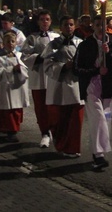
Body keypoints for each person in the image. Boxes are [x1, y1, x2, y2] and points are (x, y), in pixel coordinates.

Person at [74, 15, 112, 171]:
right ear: (93, 27)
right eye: (97, 25)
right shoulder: (86, 44)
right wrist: (95, 70)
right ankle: (99, 155)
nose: (100, 28)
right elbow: (77, 68)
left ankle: (98, 153)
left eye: (103, 25)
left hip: (107, 87)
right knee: (98, 118)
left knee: (105, 121)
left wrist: (108, 54)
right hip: (91, 87)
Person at [43, 15, 83, 157]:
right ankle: (62, 146)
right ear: (60, 27)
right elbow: (46, 65)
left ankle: (73, 148)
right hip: (59, 85)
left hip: (77, 85)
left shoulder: (80, 43)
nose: (69, 27)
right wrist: (64, 66)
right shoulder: (53, 45)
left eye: (71, 24)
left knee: (76, 120)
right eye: (66, 24)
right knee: (60, 120)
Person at [21, 10, 59, 148]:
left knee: (54, 106)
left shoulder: (56, 37)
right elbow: (24, 56)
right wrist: (39, 58)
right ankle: (45, 133)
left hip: (54, 76)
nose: (45, 22)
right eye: (42, 19)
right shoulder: (32, 38)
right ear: (37, 22)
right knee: (41, 107)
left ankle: (55, 131)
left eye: (47, 19)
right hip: (39, 76)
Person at [0, 31, 30, 142]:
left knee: (17, 108)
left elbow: (26, 69)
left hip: (19, 85)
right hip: (7, 87)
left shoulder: (20, 55)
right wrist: (12, 70)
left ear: (16, 43)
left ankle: (14, 128)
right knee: (8, 109)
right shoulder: (0, 57)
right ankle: (11, 131)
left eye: (13, 41)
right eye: (8, 41)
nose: (11, 44)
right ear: (3, 43)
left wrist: (20, 69)